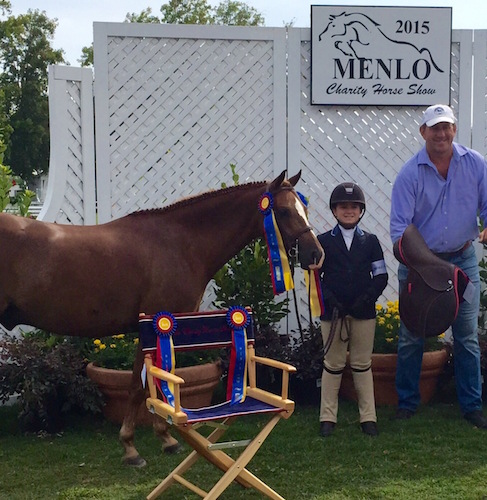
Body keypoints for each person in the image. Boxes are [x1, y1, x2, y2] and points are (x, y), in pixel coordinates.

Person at [390, 103, 487, 428]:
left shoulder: (476, 164)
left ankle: (472, 406)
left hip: (463, 261)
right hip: (420, 265)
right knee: (411, 335)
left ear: (454, 130)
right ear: (423, 132)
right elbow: (399, 231)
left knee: (466, 336)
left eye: (446, 126)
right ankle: (406, 402)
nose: (441, 133)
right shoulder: (409, 173)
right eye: (435, 128)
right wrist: (430, 265)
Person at [318, 182, 388, 437]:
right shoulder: (322, 241)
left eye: (353, 207)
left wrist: (367, 297)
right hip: (333, 314)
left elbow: (381, 276)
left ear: (361, 211)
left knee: (361, 364)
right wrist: (330, 299)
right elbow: (315, 278)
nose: (348, 211)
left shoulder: (371, 242)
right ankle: (327, 417)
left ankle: (368, 417)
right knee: (333, 364)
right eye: (343, 207)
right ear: (334, 211)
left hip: (363, 312)